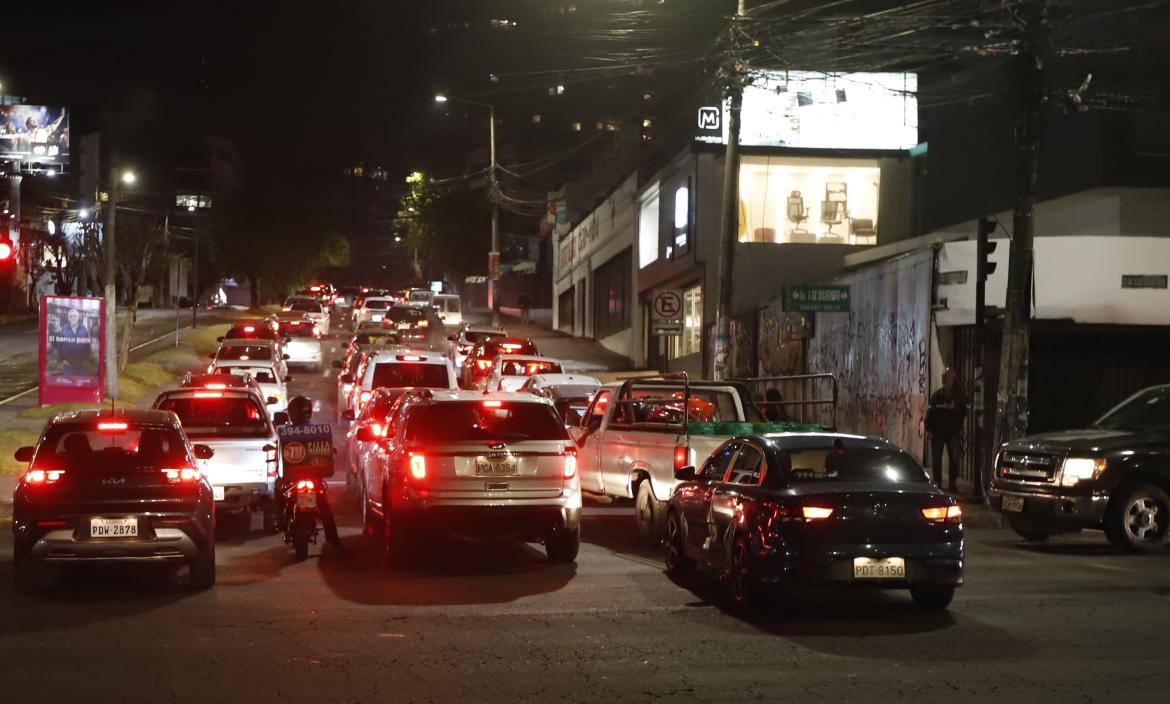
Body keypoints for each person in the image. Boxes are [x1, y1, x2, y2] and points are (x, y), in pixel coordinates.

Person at [279, 396, 342, 547]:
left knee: (279, 492)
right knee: (325, 508)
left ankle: (280, 524)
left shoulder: (287, 433)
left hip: (299, 479)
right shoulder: (317, 431)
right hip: (312, 478)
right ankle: (334, 541)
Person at [926, 368, 967, 493]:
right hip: (938, 431)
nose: (948, 382)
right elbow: (930, 412)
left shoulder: (959, 396)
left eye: (951, 379)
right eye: (947, 379)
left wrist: (955, 407)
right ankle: (937, 482)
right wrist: (929, 429)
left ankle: (952, 484)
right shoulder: (937, 395)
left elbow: (965, 411)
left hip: (953, 431)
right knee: (936, 458)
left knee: (954, 458)